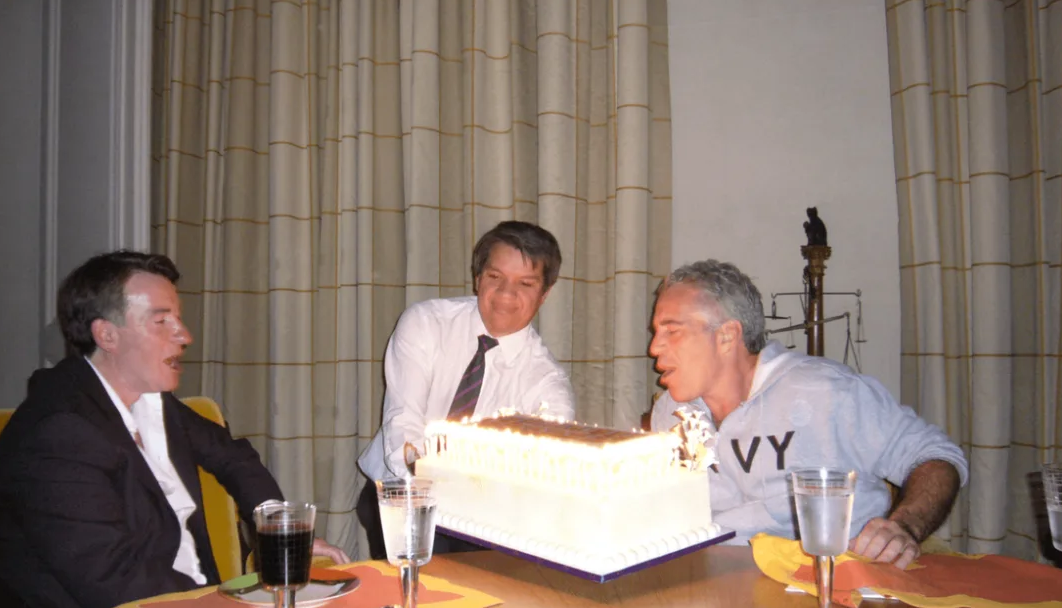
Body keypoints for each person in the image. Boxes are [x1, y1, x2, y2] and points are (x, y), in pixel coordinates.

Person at [0, 250, 346, 608]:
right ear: (106, 335)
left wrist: (280, 533)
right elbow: (112, 581)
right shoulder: (58, 434)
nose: (185, 336)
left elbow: (234, 458)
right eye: (162, 321)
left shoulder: (150, 402)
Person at [648, 260, 966, 569]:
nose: (654, 348)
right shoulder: (671, 414)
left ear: (727, 336)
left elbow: (936, 457)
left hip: (830, 579)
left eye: (671, 331)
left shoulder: (826, 392)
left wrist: (905, 526)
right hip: (713, 579)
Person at [356, 221, 576, 556]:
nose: (505, 293)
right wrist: (424, 500)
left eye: (525, 283)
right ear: (477, 278)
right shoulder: (426, 323)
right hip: (402, 493)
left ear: (544, 294)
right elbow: (403, 423)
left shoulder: (547, 385)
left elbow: (539, 476)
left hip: (486, 519)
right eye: (495, 277)